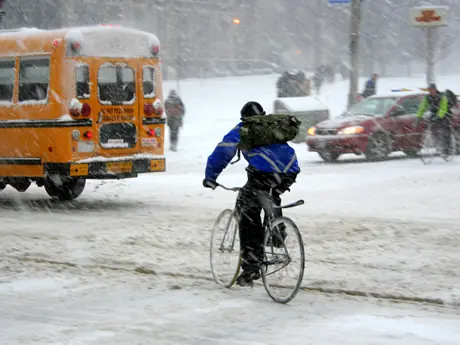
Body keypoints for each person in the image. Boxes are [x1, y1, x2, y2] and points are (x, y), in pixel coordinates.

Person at [202, 101, 300, 287]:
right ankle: (276, 230)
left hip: (263, 172)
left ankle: (251, 267)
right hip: (290, 171)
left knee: (247, 212)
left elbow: (222, 152)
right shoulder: (272, 124)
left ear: (244, 117)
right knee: (269, 193)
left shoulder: (244, 128)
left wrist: (210, 176)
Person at [416, 83, 452, 156]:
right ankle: (436, 143)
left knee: (445, 130)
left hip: (445, 114)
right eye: (429, 90)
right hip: (434, 113)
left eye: (432, 90)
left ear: (435, 89)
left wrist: (439, 116)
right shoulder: (427, 97)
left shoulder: (442, 97)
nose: (431, 91)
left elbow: (443, 108)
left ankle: (446, 150)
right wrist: (419, 116)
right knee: (432, 127)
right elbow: (422, 107)